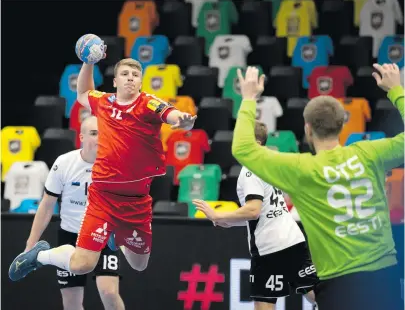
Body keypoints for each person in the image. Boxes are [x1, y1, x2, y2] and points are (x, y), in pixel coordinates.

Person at [9, 51, 196, 282]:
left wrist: (181, 120)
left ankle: (116, 237)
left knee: (139, 265)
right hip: (103, 198)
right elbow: (83, 93)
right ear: (115, 81)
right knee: (81, 264)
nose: (130, 78)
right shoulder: (104, 102)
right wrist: (88, 61)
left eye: (135, 74)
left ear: (140, 81)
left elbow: (169, 113)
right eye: (125, 74)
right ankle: (41, 256)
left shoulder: (148, 103)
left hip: (136, 201)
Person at [229, 64, 404, 310]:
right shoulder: (370, 153)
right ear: (342, 125)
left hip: (339, 286)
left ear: (308, 129)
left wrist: (248, 98)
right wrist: (396, 89)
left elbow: (243, 148)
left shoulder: (302, 169)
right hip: (384, 277)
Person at [193, 121, 318, 310]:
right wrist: (229, 222)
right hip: (292, 241)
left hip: (270, 249)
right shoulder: (267, 166)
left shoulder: (250, 171)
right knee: (315, 294)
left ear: (256, 144)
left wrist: (218, 216)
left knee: (264, 302)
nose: (236, 144)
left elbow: (253, 210)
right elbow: (264, 214)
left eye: (242, 139)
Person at [23, 116, 125, 310]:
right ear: (82, 137)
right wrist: (31, 243)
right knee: (71, 303)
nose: (99, 138)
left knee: (109, 291)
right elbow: (46, 205)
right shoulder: (64, 163)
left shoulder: (117, 165)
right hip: (70, 237)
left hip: (102, 235)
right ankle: (38, 255)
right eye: (94, 133)